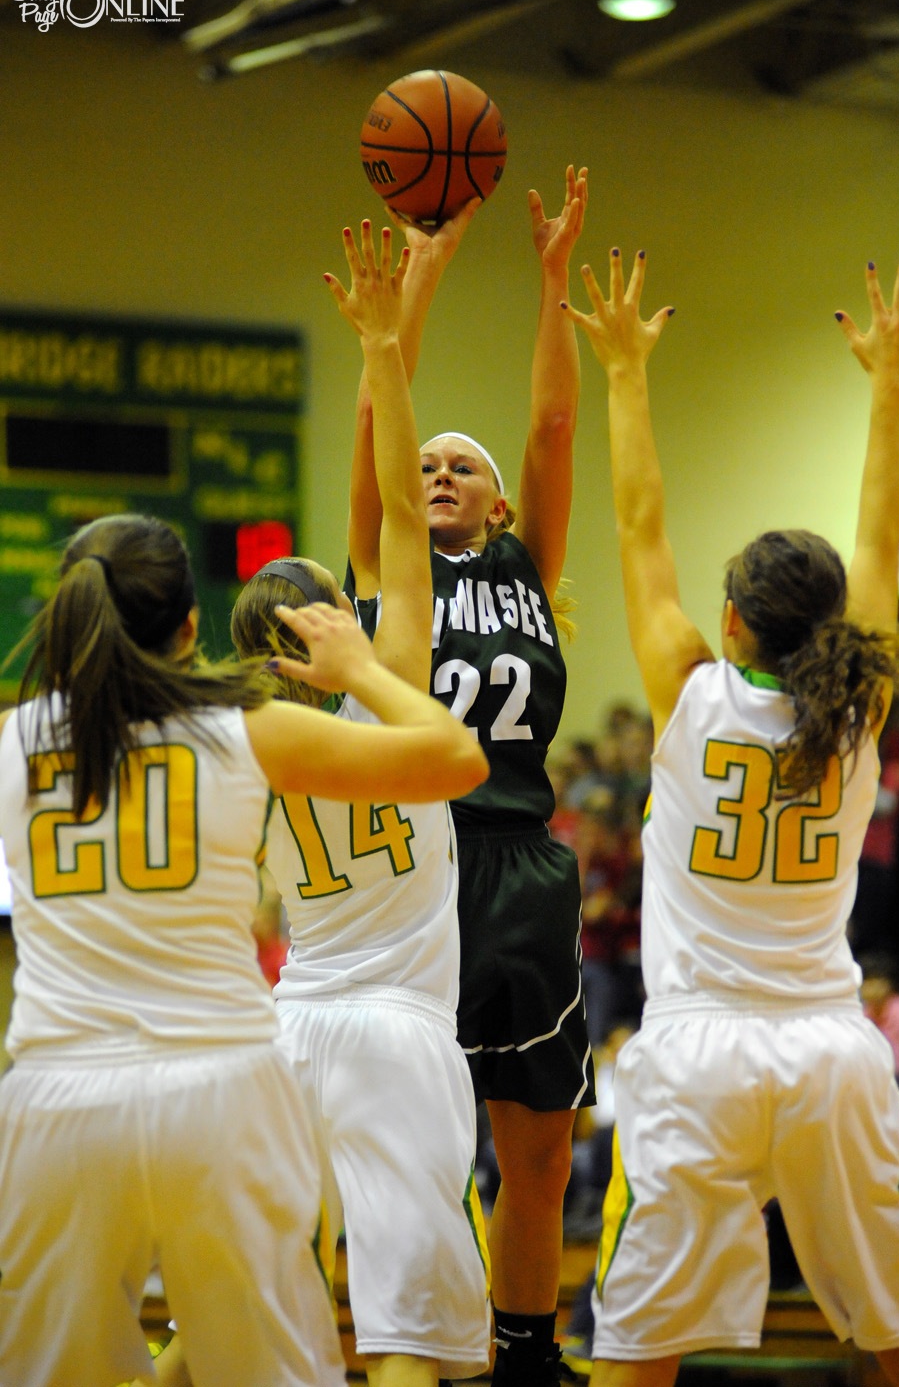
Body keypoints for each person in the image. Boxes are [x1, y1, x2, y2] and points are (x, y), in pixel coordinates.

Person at [565, 249, 899, 1387]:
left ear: (728, 622)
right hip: (831, 1052)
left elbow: (638, 524)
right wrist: (889, 388)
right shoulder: (861, 703)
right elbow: (879, 540)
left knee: (635, 1350)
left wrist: (625, 370)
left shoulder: (687, 688)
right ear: (834, 626)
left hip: (695, 1054)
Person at [0, 510, 487, 1387]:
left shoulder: (13, 739)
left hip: (60, 1090)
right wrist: (365, 670)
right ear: (189, 627)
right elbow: (456, 756)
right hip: (218, 1083)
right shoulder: (242, 730)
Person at [232, 219, 493, 1387]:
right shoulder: (390, 712)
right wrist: (383, 347)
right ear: (337, 622)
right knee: (404, 1333)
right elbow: (400, 511)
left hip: (285, 1032)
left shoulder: (240, 739)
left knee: (255, 1308)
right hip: (395, 1033)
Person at [348, 166, 594, 1387]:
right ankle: (411, 1333)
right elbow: (375, 429)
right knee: (423, 1139)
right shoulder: (390, 562)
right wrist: (420, 276)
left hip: (527, 867)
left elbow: (552, 428)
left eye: (462, 464)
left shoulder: (528, 567)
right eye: (427, 460)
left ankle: (524, 1350)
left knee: (536, 1146)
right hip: (426, 869)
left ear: (497, 500)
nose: (438, 471)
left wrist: (551, 281)